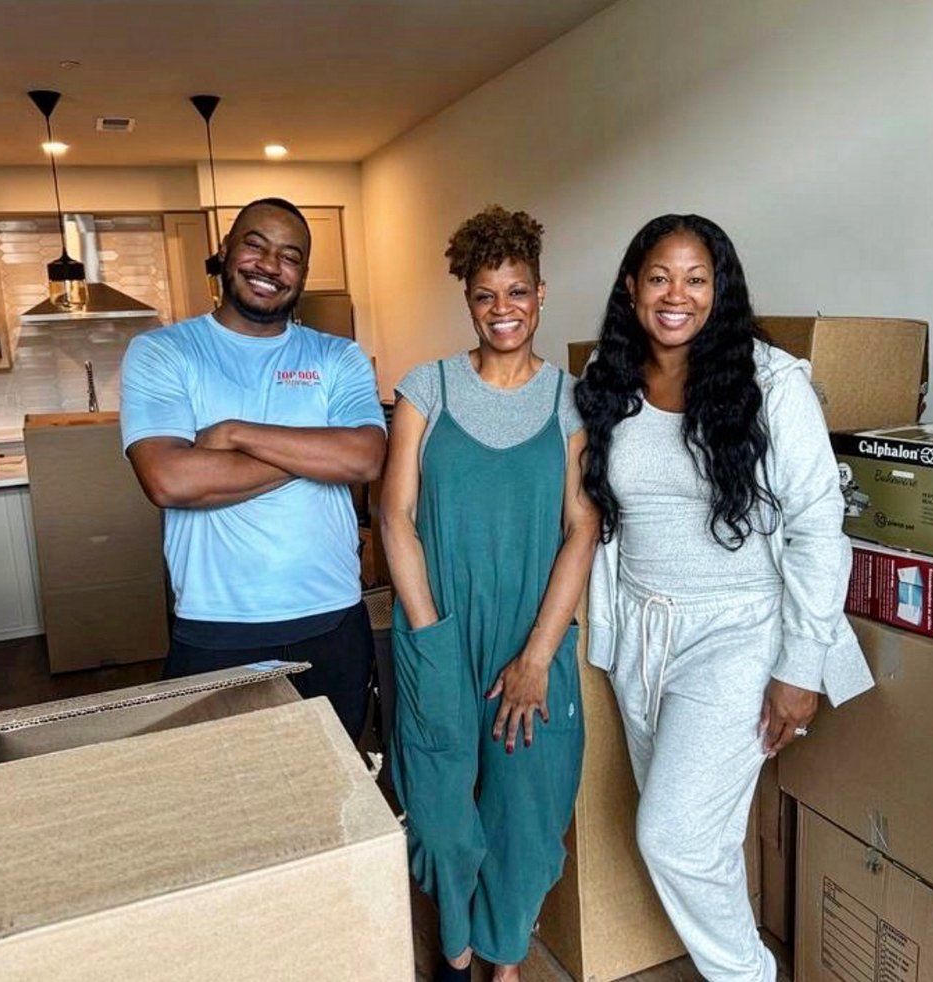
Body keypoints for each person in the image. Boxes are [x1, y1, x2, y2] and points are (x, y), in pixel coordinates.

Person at [575, 214, 874, 981]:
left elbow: (818, 525)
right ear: (632, 288)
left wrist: (799, 667)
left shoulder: (771, 384)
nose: (676, 295)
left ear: (720, 289)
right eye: (659, 277)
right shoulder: (606, 382)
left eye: (695, 279)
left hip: (740, 633)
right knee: (697, 839)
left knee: (671, 836)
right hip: (639, 631)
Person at [381, 206, 600, 982]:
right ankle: (458, 942)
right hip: (439, 628)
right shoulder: (427, 389)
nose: (502, 309)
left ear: (541, 294)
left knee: (528, 822)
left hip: (533, 635)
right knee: (439, 817)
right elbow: (394, 513)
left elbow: (582, 526)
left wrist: (537, 657)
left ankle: (504, 962)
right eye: (485, 294)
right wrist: (429, 634)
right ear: (468, 300)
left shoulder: (572, 401)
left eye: (517, 291)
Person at [120, 197, 385, 742]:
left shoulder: (338, 356)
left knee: (335, 785)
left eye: (290, 256)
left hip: (333, 620)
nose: (270, 266)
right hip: (217, 628)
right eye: (255, 245)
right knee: (220, 789)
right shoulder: (163, 352)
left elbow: (364, 458)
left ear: (303, 273)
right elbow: (169, 479)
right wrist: (316, 454)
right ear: (224, 251)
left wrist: (235, 433)